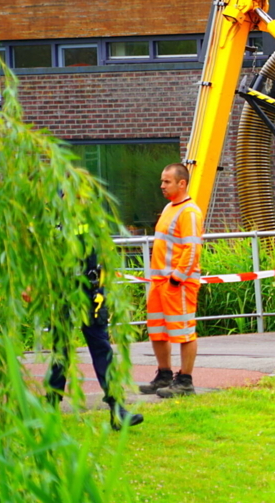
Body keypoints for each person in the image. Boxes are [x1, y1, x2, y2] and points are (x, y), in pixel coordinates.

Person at [37, 247, 144, 430]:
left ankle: (117, 408)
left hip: (93, 287)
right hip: (63, 289)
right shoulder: (57, 219)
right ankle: (51, 407)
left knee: (101, 346)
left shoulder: (93, 219)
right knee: (61, 347)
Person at [138, 163, 204, 398]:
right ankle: (164, 375)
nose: (162, 185)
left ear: (182, 183)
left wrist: (177, 279)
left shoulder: (190, 212)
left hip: (177, 284)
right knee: (158, 330)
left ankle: (185, 381)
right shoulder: (169, 208)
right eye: (162, 181)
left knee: (184, 331)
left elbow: (192, 249)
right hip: (159, 283)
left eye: (167, 181)